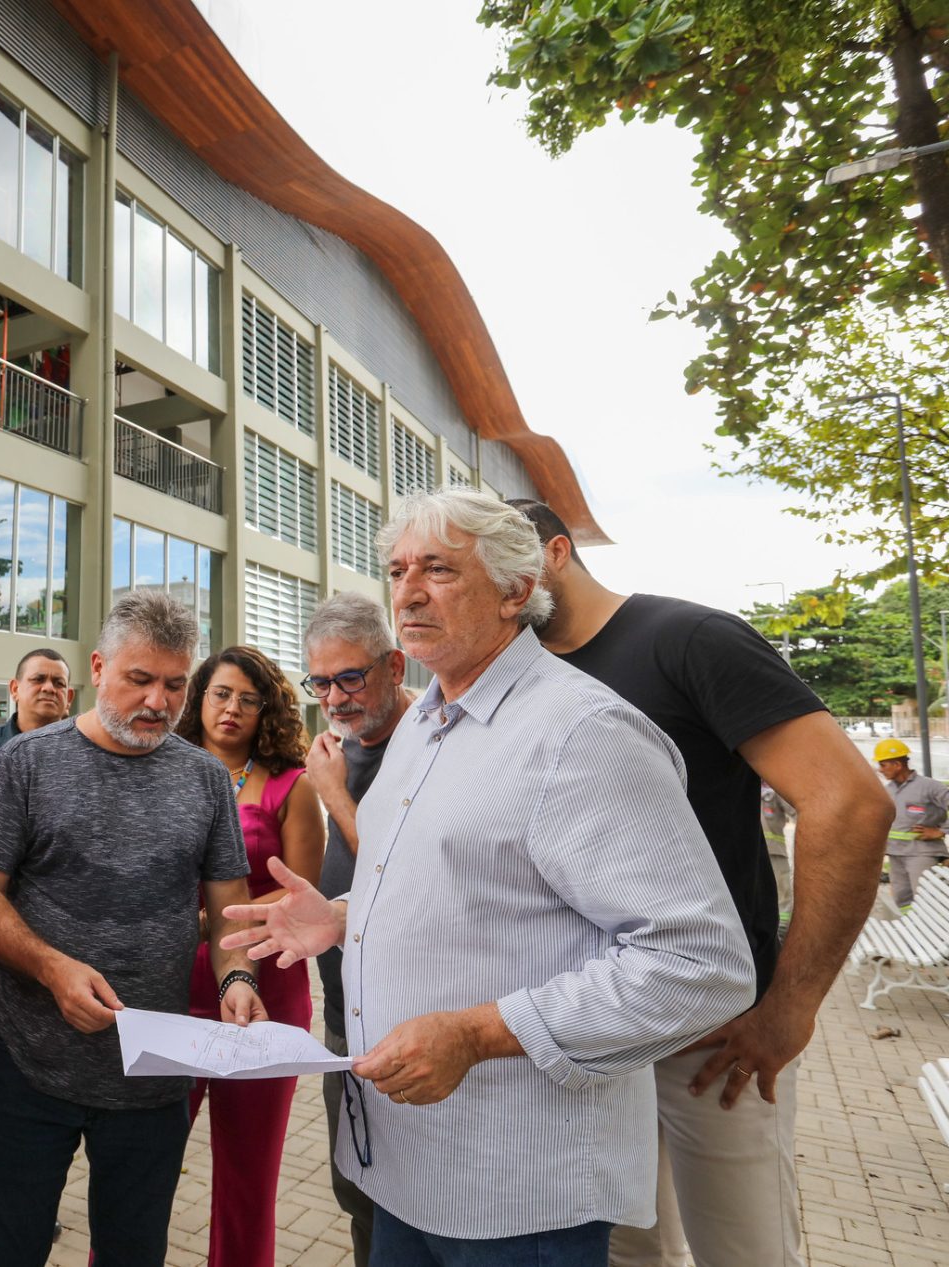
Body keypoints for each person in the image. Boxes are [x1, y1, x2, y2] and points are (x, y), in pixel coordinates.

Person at [226, 488, 755, 1265]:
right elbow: (462, 879)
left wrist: (478, 1033)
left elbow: (700, 965)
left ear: (516, 590)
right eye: (399, 568)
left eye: (438, 567)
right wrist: (344, 914)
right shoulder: (426, 723)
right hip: (403, 1168)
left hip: (516, 1195)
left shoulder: (581, 732)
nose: (407, 589)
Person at [511, 497, 892, 1267]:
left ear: (556, 552)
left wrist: (792, 1003)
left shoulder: (687, 638)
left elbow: (848, 803)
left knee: (745, 1253)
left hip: (715, 1031)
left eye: (500, 569)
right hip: (591, 1022)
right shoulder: (525, 677)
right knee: (624, 1252)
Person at [0, 591, 266, 1267]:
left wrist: (238, 976)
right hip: (28, 1068)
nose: (159, 701)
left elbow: (231, 910)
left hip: (153, 1077)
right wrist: (52, 967)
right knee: (5, 1253)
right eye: (140, 679)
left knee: (132, 1255)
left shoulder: (208, 781)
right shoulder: (28, 762)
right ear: (98, 667)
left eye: (175, 684)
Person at [174, 645, 325, 1267]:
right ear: (198, 699)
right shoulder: (164, 769)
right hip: (171, 985)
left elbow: (299, 900)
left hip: (268, 989)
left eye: (248, 698)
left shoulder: (294, 785)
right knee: (143, 1160)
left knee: (249, 1172)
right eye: (219, 694)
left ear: (268, 710)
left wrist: (212, 919)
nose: (231, 709)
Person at [297, 592, 407, 1267]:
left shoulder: (426, 739)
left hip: (409, 1019)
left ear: (393, 665)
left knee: (408, 1202)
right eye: (320, 681)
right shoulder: (342, 747)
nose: (334, 697)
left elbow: (405, 873)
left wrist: (333, 793)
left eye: (350, 677)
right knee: (356, 1191)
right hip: (344, 1016)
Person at [876, 738, 949, 908]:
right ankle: (912, 932)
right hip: (896, 854)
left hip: (921, 853)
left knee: (925, 900)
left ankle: (935, 933)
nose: (880, 770)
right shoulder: (888, 791)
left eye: (883, 765)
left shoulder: (929, 787)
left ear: (897, 764)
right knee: (901, 899)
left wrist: (941, 831)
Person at [0, 648, 74, 763]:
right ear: (15, 689)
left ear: (69, 698)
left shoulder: (83, 754)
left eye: (59, 683)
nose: (49, 688)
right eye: (38, 679)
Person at [761, 782, 796, 917]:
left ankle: (782, 932)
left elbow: (797, 812)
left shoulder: (774, 793)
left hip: (775, 854)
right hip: (764, 855)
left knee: (782, 898)